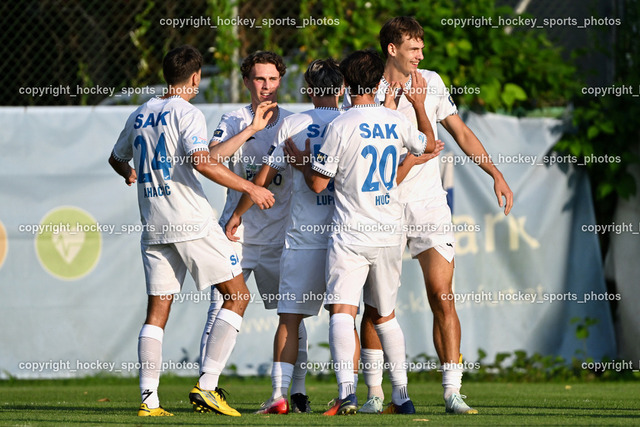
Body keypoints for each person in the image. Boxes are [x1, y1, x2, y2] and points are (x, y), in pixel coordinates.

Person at [348, 17, 514, 415]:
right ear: (392, 49)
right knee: (377, 305)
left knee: (442, 294)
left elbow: (460, 133)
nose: (421, 56)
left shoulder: (432, 82)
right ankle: (375, 394)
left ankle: (453, 392)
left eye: (422, 48)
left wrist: (495, 173)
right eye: (414, 48)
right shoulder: (367, 86)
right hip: (382, 206)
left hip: (428, 204)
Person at [108, 45, 274, 417]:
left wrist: (130, 173)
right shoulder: (187, 112)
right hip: (190, 221)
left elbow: (116, 158)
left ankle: (149, 401)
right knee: (238, 296)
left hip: (154, 224)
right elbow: (203, 162)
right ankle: (207, 387)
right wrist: (250, 187)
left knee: (157, 311)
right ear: (195, 77)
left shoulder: (140, 113)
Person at [297, 49, 436, 416]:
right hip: (389, 231)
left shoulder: (341, 125)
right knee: (386, 315)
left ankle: (348, 393)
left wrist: (303, 163)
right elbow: (428, 143)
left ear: (345, 83)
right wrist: (419, 106)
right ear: (379, 83)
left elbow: (317, 184)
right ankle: (402, 396)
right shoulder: (395, 119)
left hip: (352, 232)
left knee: (342, 311)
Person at [198, 51, 299, 387]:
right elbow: (210, 159)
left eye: (272, 79)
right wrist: (251, 129)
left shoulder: (294, 122)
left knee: (292, 316)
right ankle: (207, 387)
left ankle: (296, 393)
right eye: (259, 79)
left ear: (280, 81)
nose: (266, 86)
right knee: (220, 308)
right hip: (235, 232)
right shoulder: (233, 119)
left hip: (280, 237)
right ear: (246, 82)